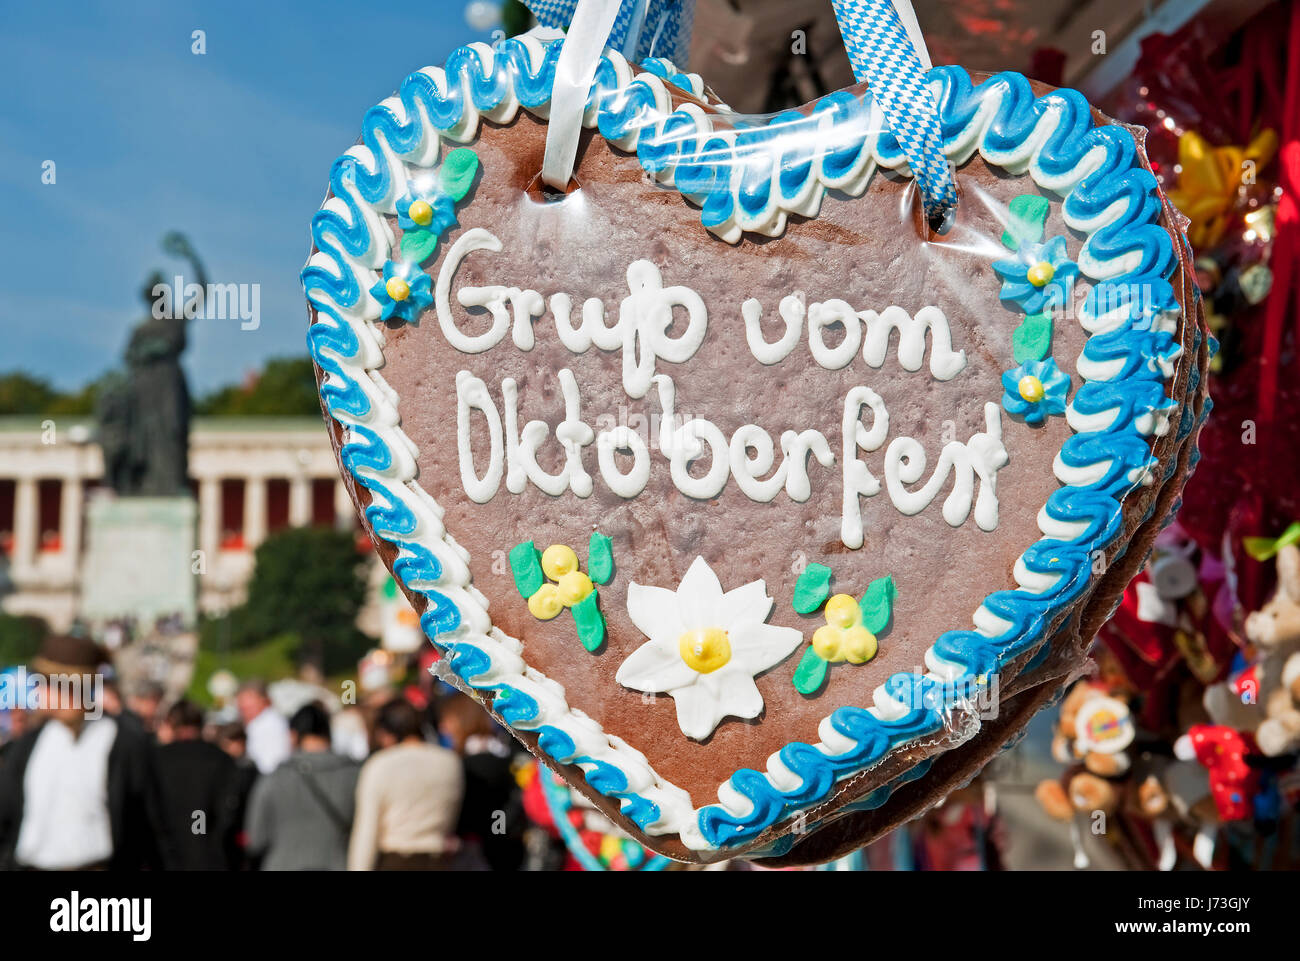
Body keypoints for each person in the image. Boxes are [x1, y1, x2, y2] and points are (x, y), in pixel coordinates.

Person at [0, 634, 172, 870]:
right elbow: (8, 817)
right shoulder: (28, 745)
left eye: (44, 683)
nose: (38, 691)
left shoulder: (123, 743)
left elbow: (151, 825)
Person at [348, 697, 463, 871]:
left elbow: (367, 831)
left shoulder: (380, 765)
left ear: (385, 734)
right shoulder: (450, 762)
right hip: (440, 862)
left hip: (395, 861)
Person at [245, 702, 358, 870]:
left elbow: (255, 839)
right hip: (337, 863)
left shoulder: (274, 779)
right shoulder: (355, 774)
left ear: (293, 735)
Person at [438, 693, 526, 872]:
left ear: (463, 720)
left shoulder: (473, 763)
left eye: (448, 720)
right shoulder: (505, 753)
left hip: (482, 854)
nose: (444, 728)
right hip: (506, 845)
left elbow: (491, 814)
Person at [153, 699, 241, 870]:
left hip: (167, 857)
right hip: (212, 857)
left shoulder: (156, 759)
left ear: (171, 723)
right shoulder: (222, 760)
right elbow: (229, 812)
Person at [236, 678, 290, 776]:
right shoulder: (257, 723)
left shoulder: (270, 724)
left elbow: (270, 765)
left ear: (263, 700)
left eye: (246, 700)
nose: (241, 705)